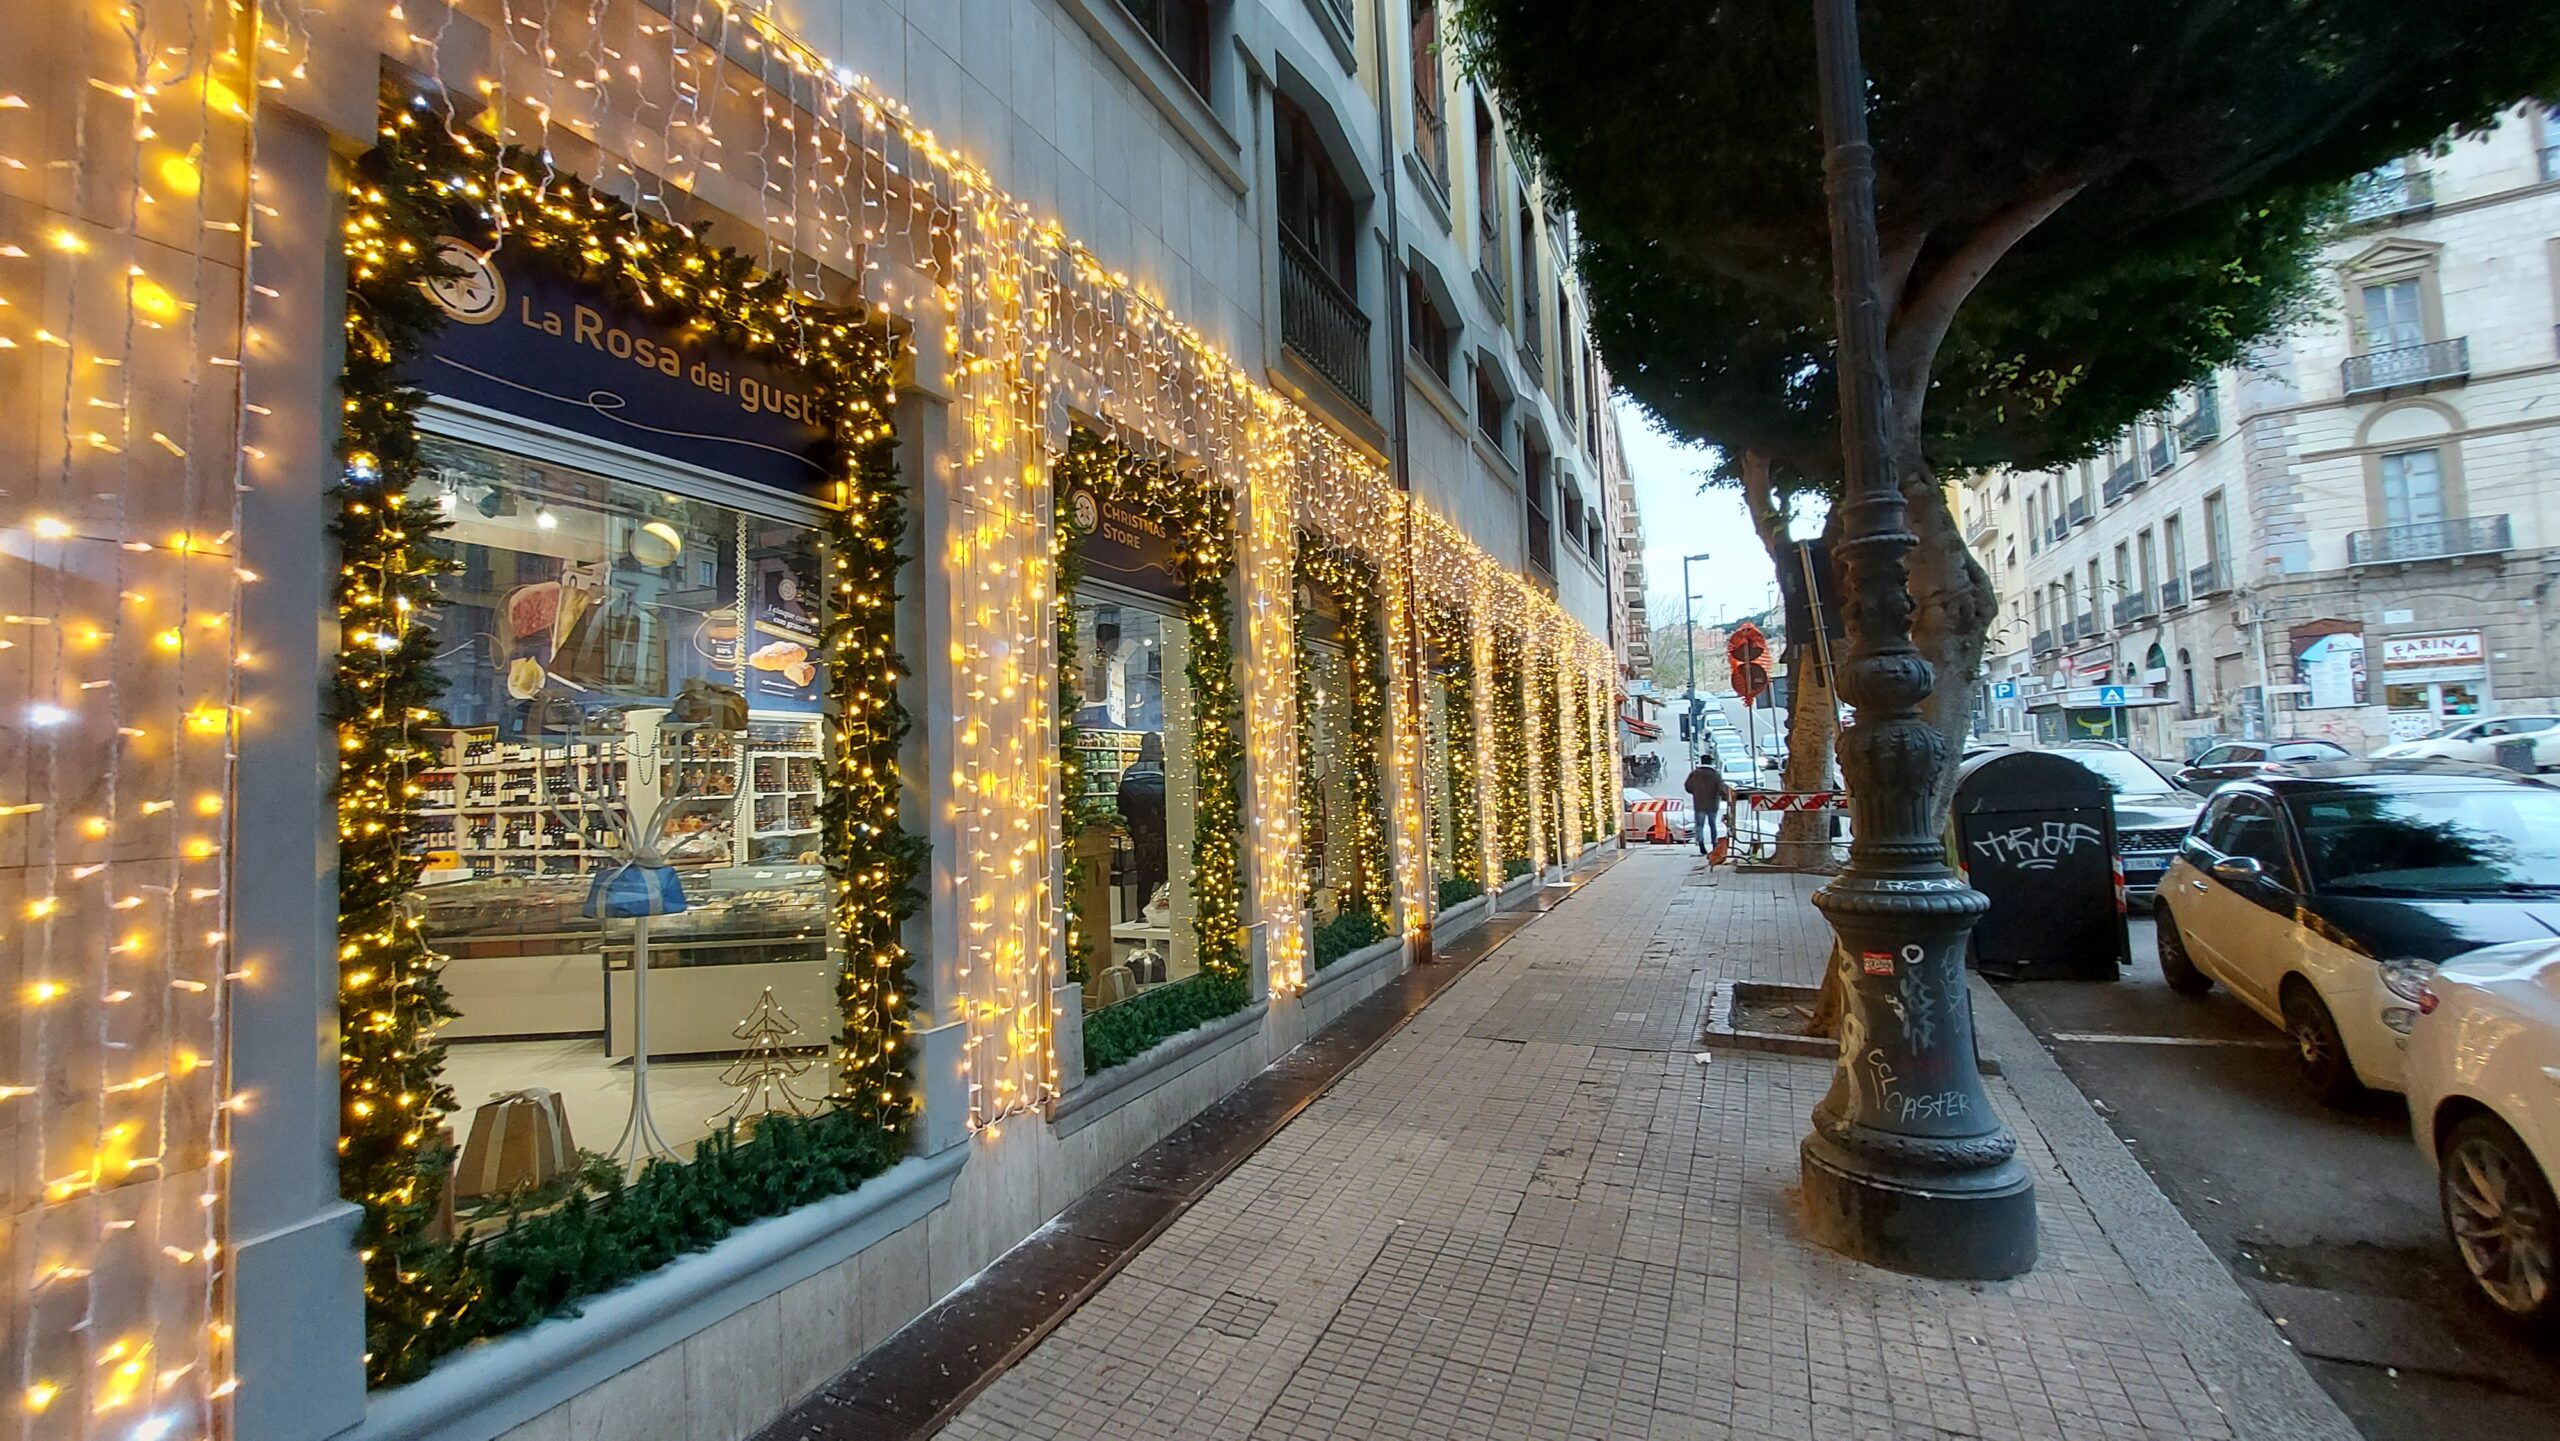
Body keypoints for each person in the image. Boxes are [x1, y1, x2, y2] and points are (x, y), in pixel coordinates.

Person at [1682, 757, 1730, 859]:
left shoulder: (1695, 774)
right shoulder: (1715, 775)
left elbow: (1687, 786)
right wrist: (1723, 796)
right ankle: (1714, 844)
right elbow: (1721, 788)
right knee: (1712, 825)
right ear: (1711, 762)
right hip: (1712, 804)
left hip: (1699, 803)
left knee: (1699, 825)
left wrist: (1696, 793)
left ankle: (1701, 844)